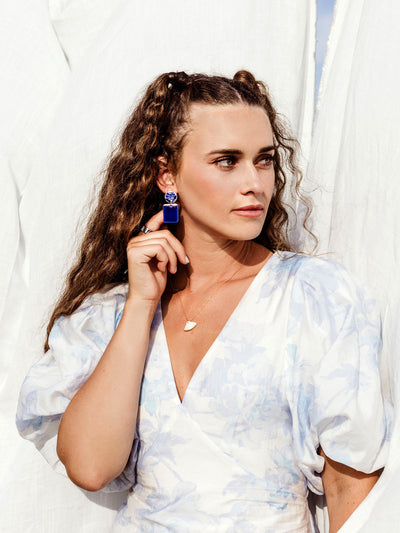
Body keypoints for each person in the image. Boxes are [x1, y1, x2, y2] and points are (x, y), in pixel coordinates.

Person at [16, 71, 390, 532]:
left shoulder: (314, 296)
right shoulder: (112, 313)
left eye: (265, 160)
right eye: (227, 161)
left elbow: (350, 488)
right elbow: (91, 467)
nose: (254, 183)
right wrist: (141, 305)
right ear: (166, 174)